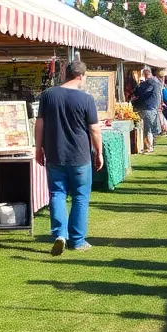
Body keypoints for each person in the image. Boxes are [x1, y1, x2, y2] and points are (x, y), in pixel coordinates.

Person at [34, 60, 104, 256]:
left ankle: (59, 234)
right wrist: (99, 152)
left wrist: (38, 148)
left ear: (65, 73)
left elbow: (39, 124)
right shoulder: (86, 99)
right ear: (81, 76)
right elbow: (94, 130)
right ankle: (77, 240)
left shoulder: (48, 95)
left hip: (55, 153)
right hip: (80, 155)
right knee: (80, 197)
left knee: (57, 194)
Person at [131, 67, 163, 154]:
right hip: (153, 107)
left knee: (147, 129)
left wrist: (135, 100)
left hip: (148, 107)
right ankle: (150, 146)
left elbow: (139, 92)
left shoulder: (150, 82)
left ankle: (148, 148)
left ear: (145, 74)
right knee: (150, 129)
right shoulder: (158, 82)